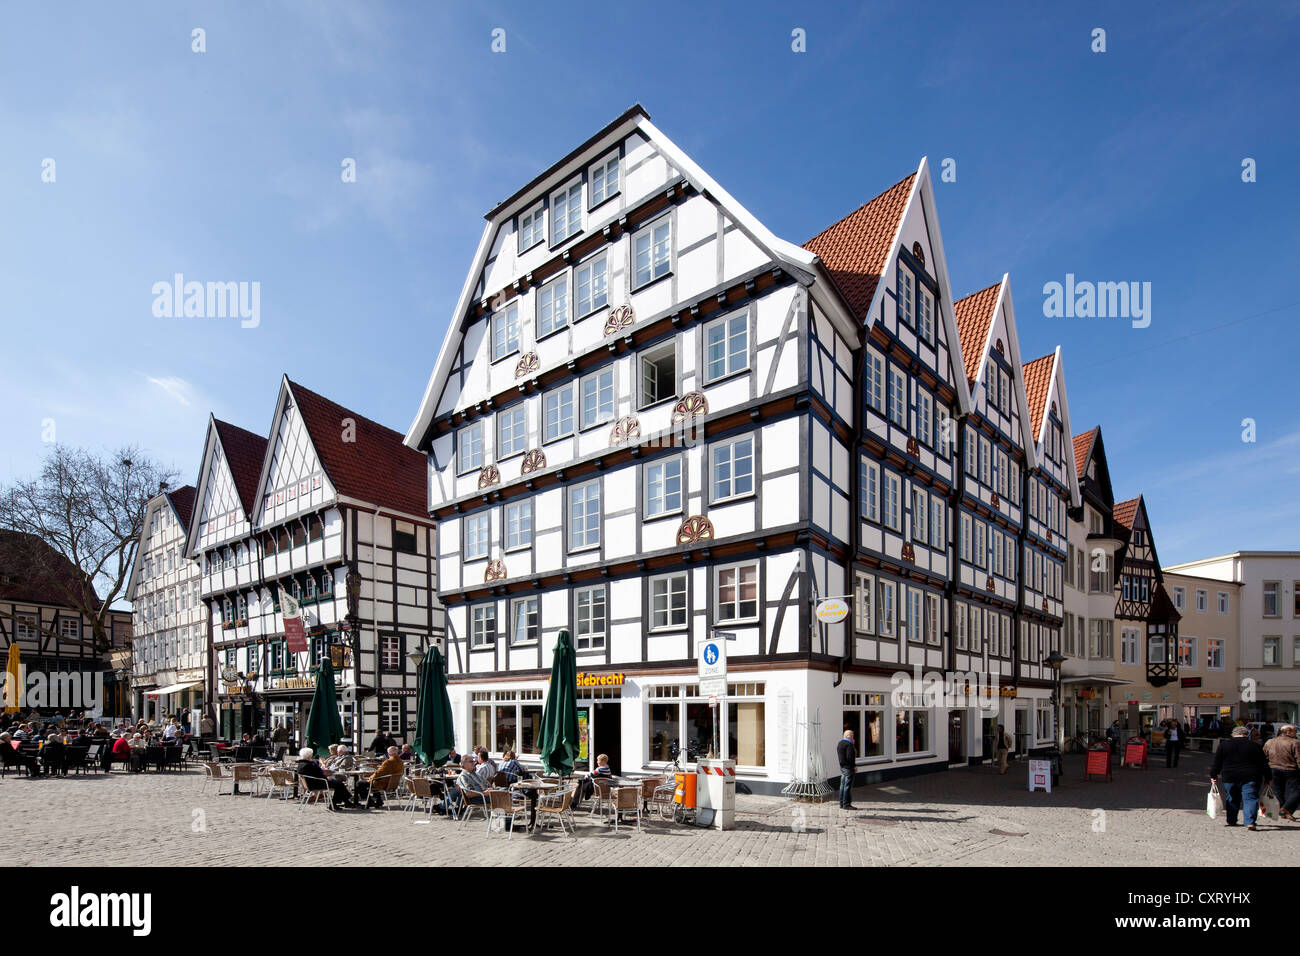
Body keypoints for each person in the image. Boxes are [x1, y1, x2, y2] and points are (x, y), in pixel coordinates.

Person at [1211, 725, 1269, 830]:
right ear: (1247, 734)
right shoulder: (1255, 746)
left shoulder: (1224, 745)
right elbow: (1263, 764)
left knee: (1232, 797)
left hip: (1230, 776)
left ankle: (1231, 819)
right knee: (1250, 798)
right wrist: (1268, 778)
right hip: (1251, 776)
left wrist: (1213, 775)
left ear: (1233, 734)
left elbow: (1217, 762)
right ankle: (1250, 822)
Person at [1262, 724, 1300, 822]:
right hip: (1291, 769)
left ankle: (1284, 810)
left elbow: (1264, 755)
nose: (1296, 733)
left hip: (1274, 768)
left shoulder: (1270, 742)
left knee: (1278, 790)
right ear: (1288, 732)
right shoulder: (1295, 742)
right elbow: (1298, 758)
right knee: (1296, 790)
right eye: (1294, 731)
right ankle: (1285, 808)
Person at [837, 729, 857, 810]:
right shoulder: (849, 744)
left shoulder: (840, 743)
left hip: (842, 767)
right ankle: (846, 804)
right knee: (847, 787)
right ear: (851, 736)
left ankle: (841, 803)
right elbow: (850, 758)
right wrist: (854, 766)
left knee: (842, 786)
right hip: (848, 768)